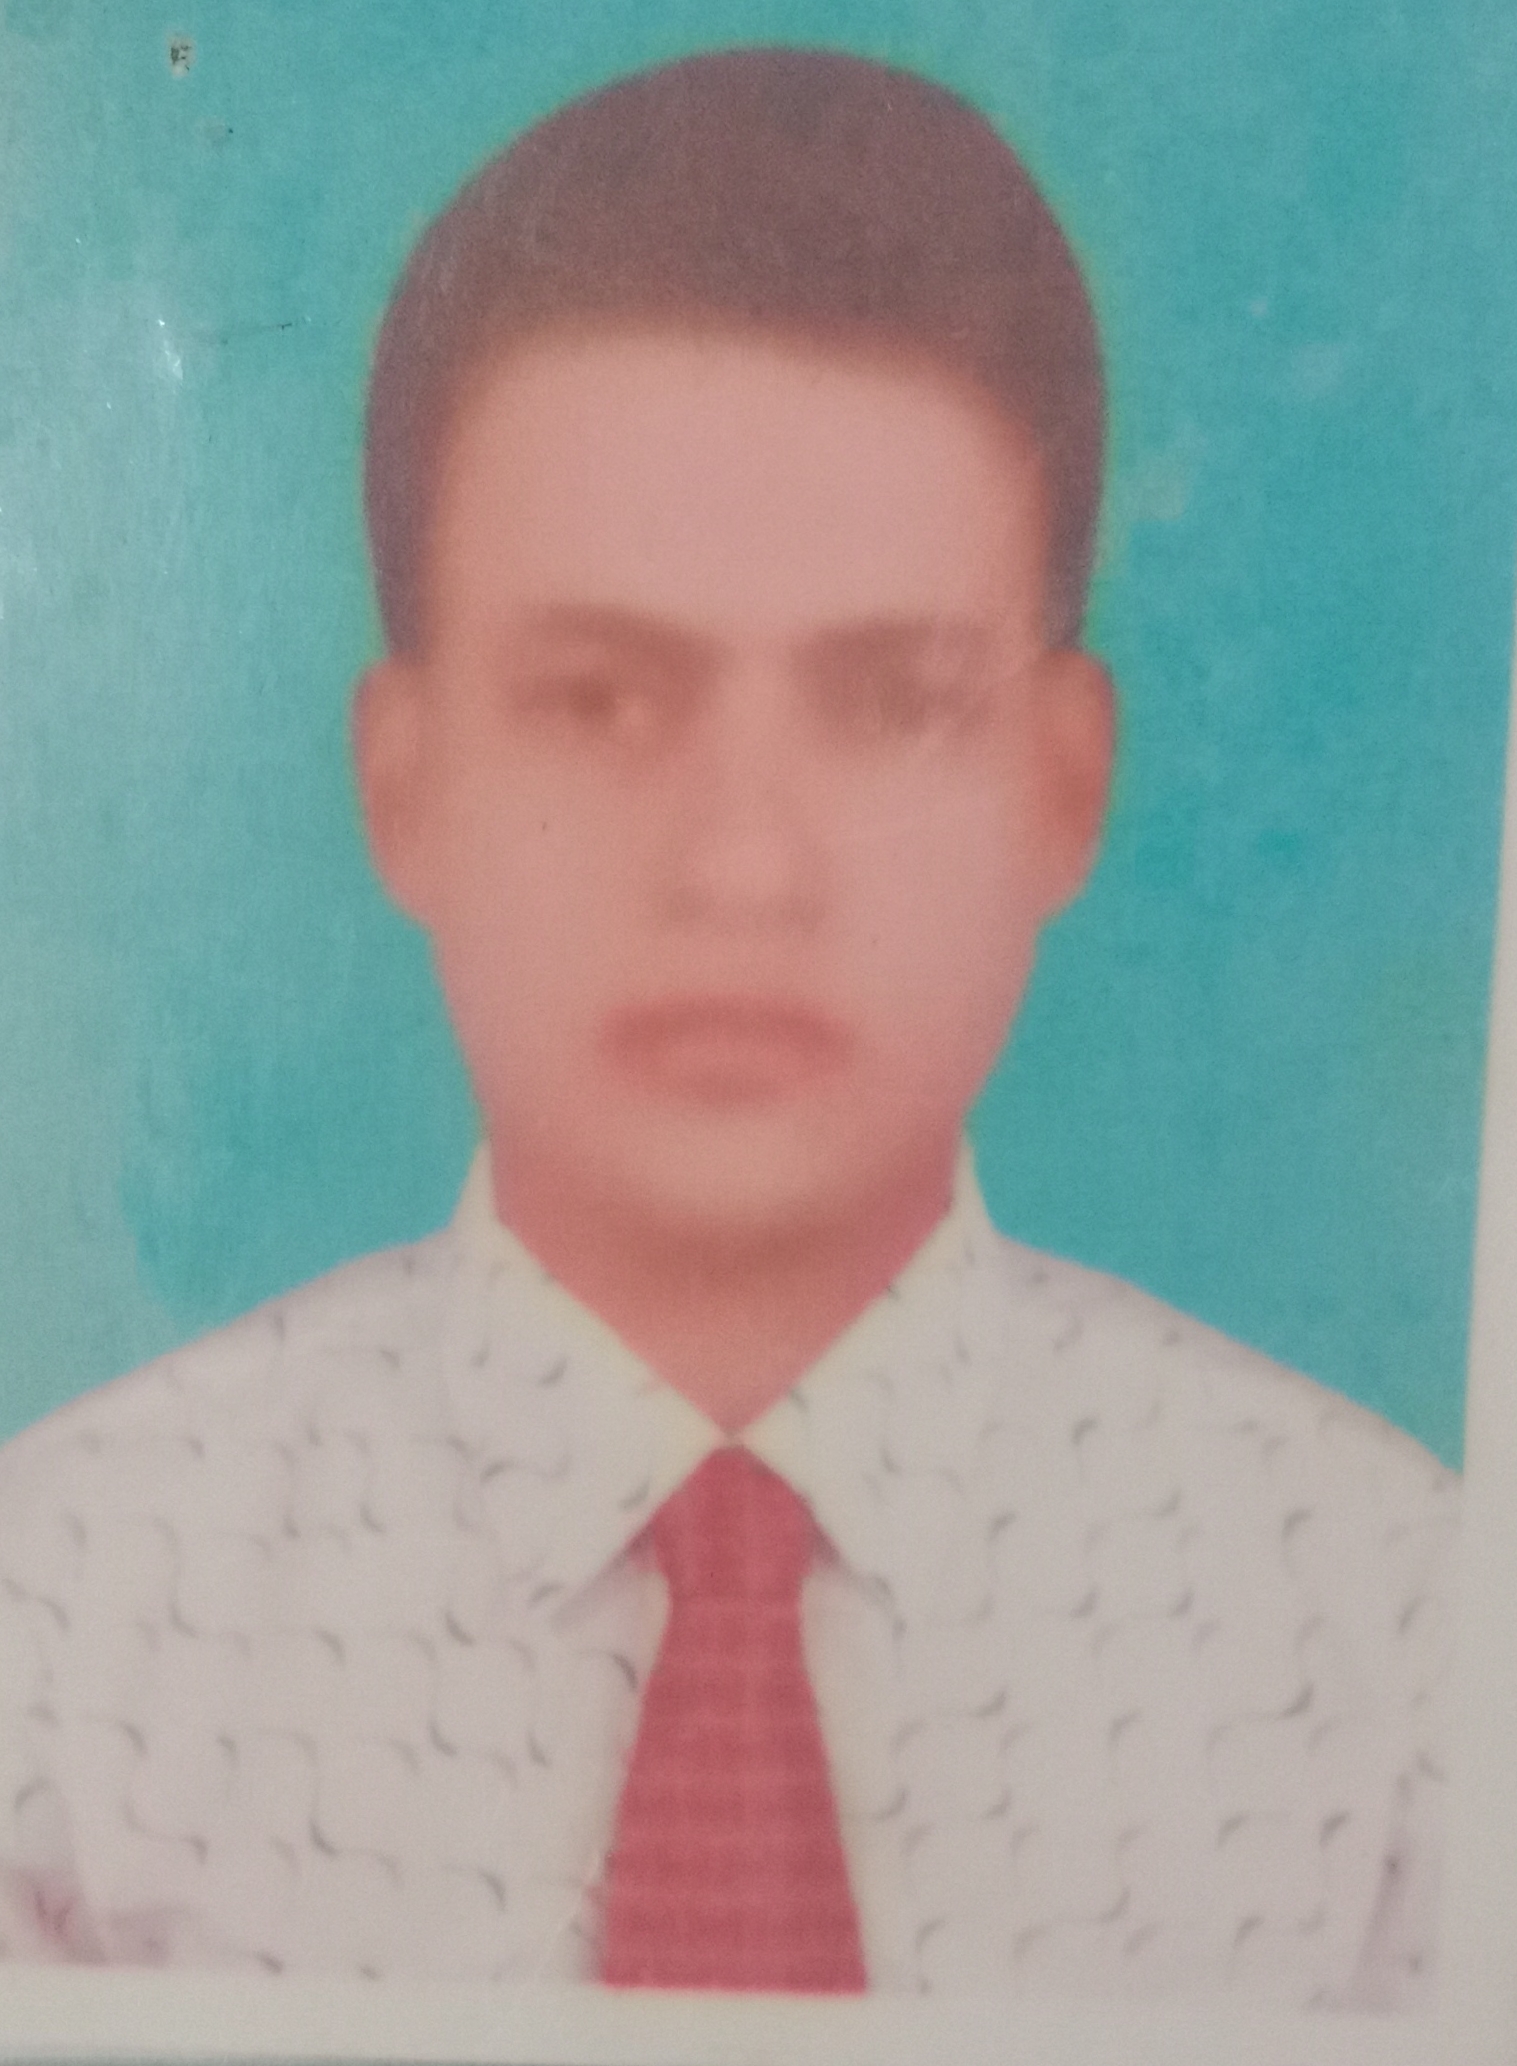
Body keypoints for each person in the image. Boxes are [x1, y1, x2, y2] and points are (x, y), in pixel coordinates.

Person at [0, 46, 1455, 2004]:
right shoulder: (64, 1638)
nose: (744, 865)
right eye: (600, 699)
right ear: (402, 782)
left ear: (1063, 783)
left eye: (889, 703)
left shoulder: (1400, 1654)